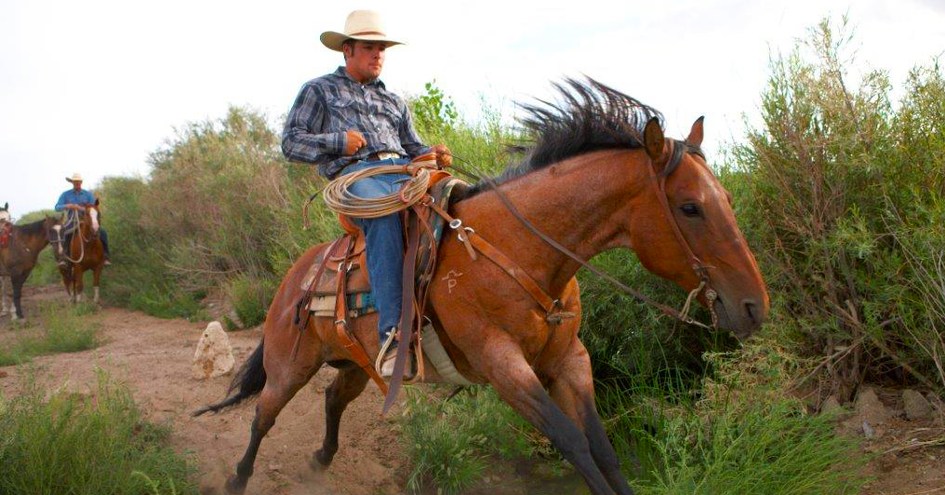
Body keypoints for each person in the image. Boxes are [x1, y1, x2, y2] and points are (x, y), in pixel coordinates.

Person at [282, 9, 452, 378]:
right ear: (347, 50)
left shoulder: (394, 102)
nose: (378, 54)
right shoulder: (319, 90)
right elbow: (291, 143)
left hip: (403, 172)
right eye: (369, 47)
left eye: (382, 48)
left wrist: (431, 155)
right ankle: (393, 337)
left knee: (459, 202)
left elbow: (414, 147)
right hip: (357, 176)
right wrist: (338, 142)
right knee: (386, 214)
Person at [55, 173, 111, 266]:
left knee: (103, 233)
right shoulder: (65, 194)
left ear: (81, 182)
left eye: (79, 182)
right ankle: (64, 258)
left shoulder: (87, 194)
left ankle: (105, 256)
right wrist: (68, 205)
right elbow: (57, 207)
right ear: (72, 182)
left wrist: (80, 208)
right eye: (75, 182)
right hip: (72, 220)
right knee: (63, 233)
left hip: (87, 220)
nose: (77, 183)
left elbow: (94, 207)